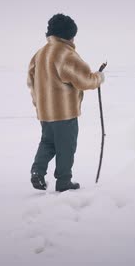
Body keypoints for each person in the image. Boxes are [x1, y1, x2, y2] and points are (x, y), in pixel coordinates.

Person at [27, 14, 105, 192]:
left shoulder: (39, 54)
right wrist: (98, 78)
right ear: (68, 35)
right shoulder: (65, 54)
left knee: (48, 142)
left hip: (45, 112)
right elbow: (84, 80)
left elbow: (31, 81)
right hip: (64, 112)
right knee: (66, 146)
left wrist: (38, 104)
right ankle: (64, 181)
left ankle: (37, 171)